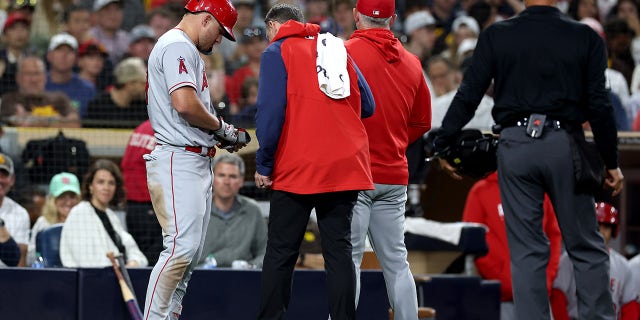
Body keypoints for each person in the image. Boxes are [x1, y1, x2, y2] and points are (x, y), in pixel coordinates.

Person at [432, 0, 625, 318]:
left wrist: (442, 144)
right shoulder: (584, 36)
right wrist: (611, 161)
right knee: (585, 247)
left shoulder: (498, 34)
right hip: (565, 143)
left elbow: (469, 94)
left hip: (515, 145)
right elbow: (600, 105)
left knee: (526, 252)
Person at [254, 3, 375, 320]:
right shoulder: (334, 45)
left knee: (281, 252)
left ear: (274, 26)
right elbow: (369, 104)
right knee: (339, 252)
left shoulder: (276, 51)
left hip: (298, 167)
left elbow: (270, 115)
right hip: (345, 165)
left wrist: (264, 165)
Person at [143, 0, 249, 318]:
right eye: (220, 32)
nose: (220, 40)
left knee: (188, 257)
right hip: (178, 159)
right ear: (205, 19)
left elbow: (191, 110)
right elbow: (185, 104)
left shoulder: (183, 47)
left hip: (192, 158)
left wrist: (217, 135)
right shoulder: (178, 44)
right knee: (180, 250)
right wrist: (224, 129)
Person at [344, 0, 432, 318]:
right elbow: (422, 121)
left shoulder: (344, 52)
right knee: (396, 261)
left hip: (355, 173)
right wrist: (394, 142)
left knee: (349, 260)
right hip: (394, 175)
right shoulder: (412, 62)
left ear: (356, 15)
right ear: (392, 20)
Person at [463, 172, 562, 320]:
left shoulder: (539, 190)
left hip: (537, 296)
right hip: (500, 301)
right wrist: (504, 279)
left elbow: (554, 235)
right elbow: (472, 239)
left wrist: (546, 278)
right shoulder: (480, 192)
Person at [551, 202, 639, 320]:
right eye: (597, 225)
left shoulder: (623, 266)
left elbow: (630, 308)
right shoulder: (569, 260)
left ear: (613, 231)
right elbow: (557, 300)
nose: (601, 232)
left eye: (606, 227)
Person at [59, 159, 148, 267]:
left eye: (111, 183)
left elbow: (134, 251)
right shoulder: (79, 213)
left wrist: (134, 262)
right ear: (90, 186)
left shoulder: (111, 216)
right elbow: (86, 262)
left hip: (121, 277)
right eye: (101, 182)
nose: (106, 188)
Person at [197, 154, 266, 268]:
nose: (227, 181)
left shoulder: (253, 211)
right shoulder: (198, 209)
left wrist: (250, 267)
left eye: (233, 176)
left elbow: (264, 253)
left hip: (242, 278)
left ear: (241, 181)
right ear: (212, 178)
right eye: (221, 175)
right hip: (200, 277)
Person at [122, 120, 161, 265]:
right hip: (149, 205)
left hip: (133, 206)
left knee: (139, 256)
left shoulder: (142, 127)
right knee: (152, 261)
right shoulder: (163, 129)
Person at [0, 56, 80, 127]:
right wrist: (55, 119)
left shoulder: (59, 99)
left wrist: (31, 118)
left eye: (37, 74)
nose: (34, 80)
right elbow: (20, 123)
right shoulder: (9, 99)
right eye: (28, 74)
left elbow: (75, 123)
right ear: (18, 78)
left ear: (45, 77)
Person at [26, 172, 81, 266]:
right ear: (52, 200)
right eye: (62, 197)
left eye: (72, 197)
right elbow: (31, 257)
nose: (68, 202)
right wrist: (41, 260)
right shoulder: (43, 223)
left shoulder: (85, 222)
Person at [84, 57, 148, 128]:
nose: (146, 87)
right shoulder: (98, 105)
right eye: (143, 83)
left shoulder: (143, 106)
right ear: (130, 84)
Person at [45, 33, 97, 118]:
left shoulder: (88, 89)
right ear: (49, 56)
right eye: (59, 50)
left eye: (69, 51)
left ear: (76, 58)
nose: (64, 55)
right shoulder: (38, 84)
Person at [0, 153, 30, 267]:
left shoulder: (20, 213)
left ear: (12, 180)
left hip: (7, 278)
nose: (0, 180)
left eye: (4, 175)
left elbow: (18, 261)